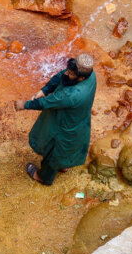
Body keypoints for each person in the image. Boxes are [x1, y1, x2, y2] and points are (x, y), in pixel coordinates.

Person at [13, 53, 97, 186]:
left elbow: (45, 103)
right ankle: (63, 165)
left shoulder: (72, 94)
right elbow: (62, 75)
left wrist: (24, 105)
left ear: (80, 78)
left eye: (71, 74)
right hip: (78, 120)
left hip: (64, 125)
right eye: (69, 70)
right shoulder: (90, 75)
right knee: (68, 148)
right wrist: (44, 90)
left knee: (54, 150)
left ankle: (43, 177)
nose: (67, 74)